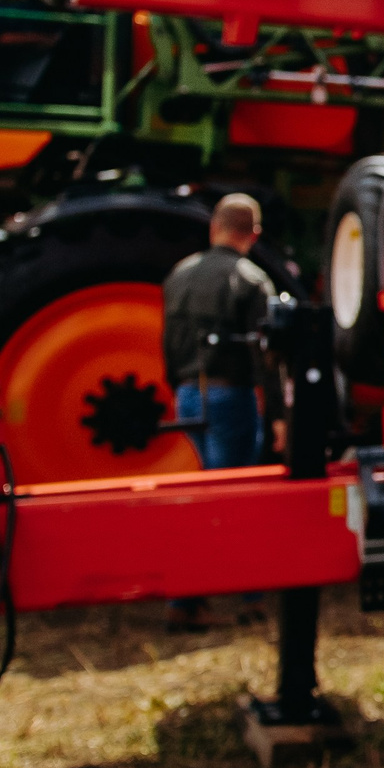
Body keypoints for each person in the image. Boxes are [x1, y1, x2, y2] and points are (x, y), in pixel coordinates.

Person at [162, 193, 278, 631]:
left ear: (213, 228)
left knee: (202, 493)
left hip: (189, 396)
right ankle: (241, 598)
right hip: (231, 398)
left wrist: (180, 387)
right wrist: (279, 416)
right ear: (254, 234)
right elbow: (264, 358)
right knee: (232, 500)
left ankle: (189, 599)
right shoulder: (251, 280)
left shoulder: (179, 275)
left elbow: (168, 344)